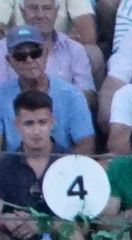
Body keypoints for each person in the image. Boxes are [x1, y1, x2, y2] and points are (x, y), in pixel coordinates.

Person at [0, 88, 82, 240]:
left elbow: (83, 224)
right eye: (29, 124)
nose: (36, 131)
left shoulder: (73, 165)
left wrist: (42, 224)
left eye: (42, 122)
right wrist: (7, 220)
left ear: (53, 122)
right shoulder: (4, 166)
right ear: (16, 125)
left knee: (73, 237)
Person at [0, 22, 90, 151]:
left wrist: (63, 170)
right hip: (14, 167)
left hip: (62, 167)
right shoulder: (1, 96)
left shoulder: (72, 95)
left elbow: (85, 145)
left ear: (45, 55)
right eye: (20, 55)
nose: (29, 60)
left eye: (35, 52)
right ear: (9, 61)